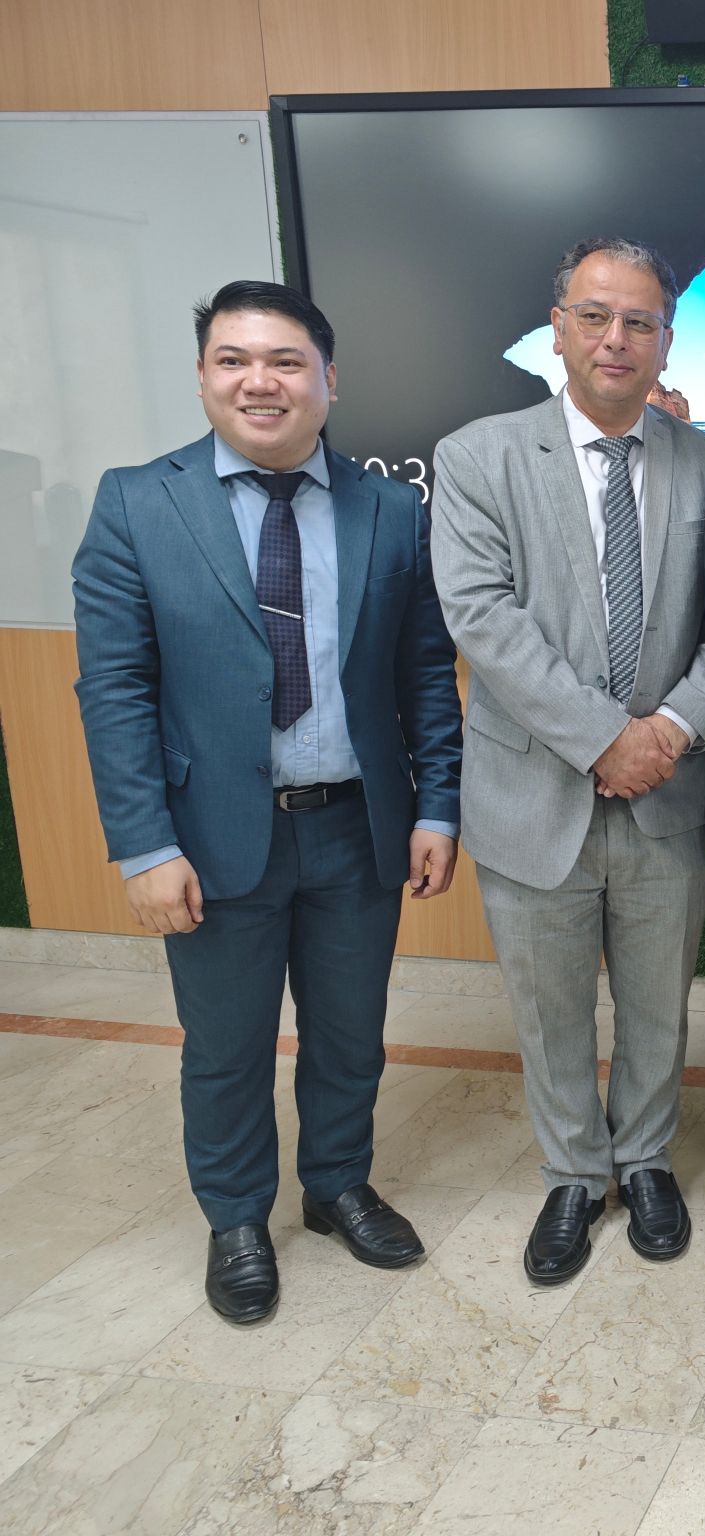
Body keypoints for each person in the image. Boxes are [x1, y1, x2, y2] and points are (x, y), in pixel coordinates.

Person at [72, 280, 463, 1323]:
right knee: (227, 1047)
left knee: (351, 1034)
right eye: (234, 359)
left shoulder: (389, 508)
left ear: (328, 380)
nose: (261, 381)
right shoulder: (137, 502)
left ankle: (336, 1186)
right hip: (210, 838)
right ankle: (237, 1218)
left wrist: (437, 807)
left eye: (286, 361)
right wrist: (143, 845)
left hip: (357, 827)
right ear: (204, 378)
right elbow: (113, 688)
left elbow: (424, 672)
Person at [432, 237, 705, 1283]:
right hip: (532, 790)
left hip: (667, 790)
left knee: (658, 1001)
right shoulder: (478, 457)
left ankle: (643, 1159)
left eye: (640, 321)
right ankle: (572, 1171)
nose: (616, 339)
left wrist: (670, 730)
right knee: (549, 1006)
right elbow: (481, 615)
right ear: (556, 328)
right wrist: (605, 738)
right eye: (595, 316)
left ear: (665, 341)